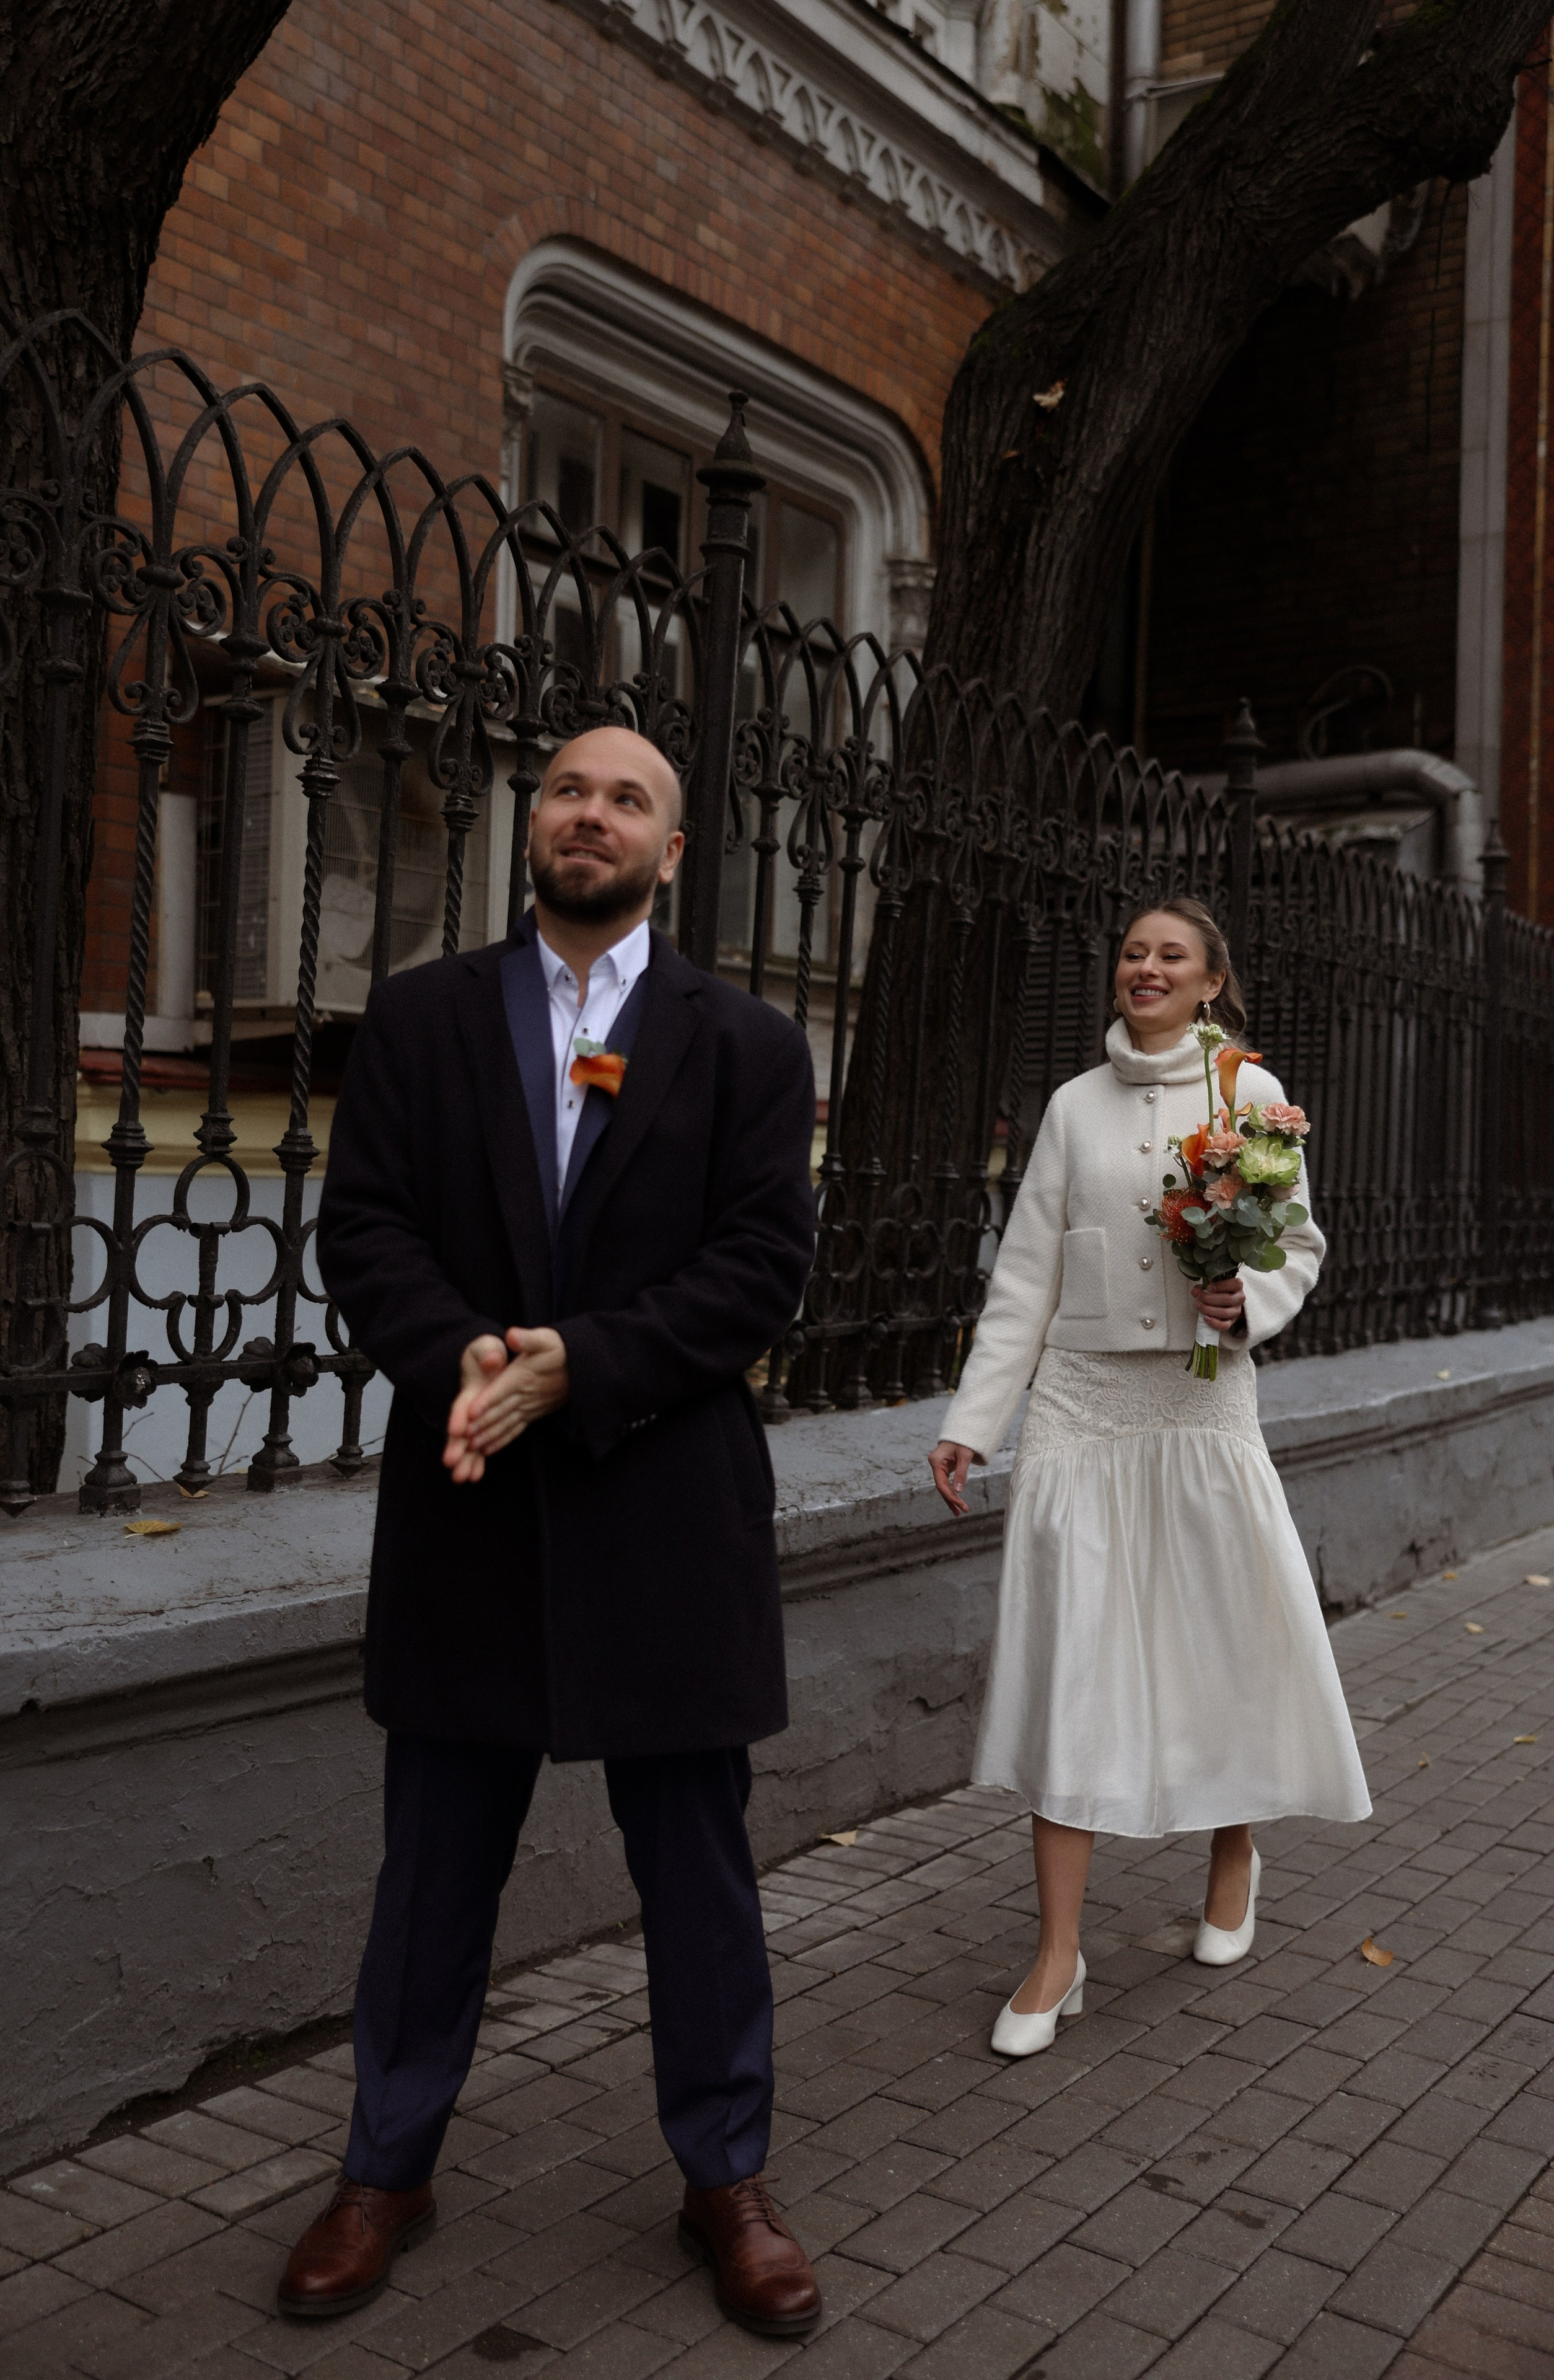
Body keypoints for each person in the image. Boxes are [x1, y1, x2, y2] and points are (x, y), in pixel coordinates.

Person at [279, 725, 823, 2336]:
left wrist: (576, 1367)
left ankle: (725, 2176)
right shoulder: (423, 1018)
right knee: (434, 1875)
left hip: (665, 1508)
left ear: (672, 847)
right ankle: (389, 2165)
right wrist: (473, 1359)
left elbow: (757, 1269)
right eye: (573, 790)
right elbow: (365, 1223)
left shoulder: (748, 1045)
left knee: (701, 1881)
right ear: (540, 822)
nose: (594, 816)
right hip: (469, 1503)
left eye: (631, 799)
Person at [928, 897, 1370, 2057]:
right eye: (1132, 951)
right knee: (1075, 1647)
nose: (1147, 967)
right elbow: (1025, 1272)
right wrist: (975, 1420)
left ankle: (1235, 1853)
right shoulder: (1073, 1106)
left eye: (1171, 954)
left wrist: (1248, 1298)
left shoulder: (1251, 1098)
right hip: (1081, 1404)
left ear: (1211, 979)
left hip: (1199, 1395)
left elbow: (1301, 1242)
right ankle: (1057, 1953)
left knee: (1216, 1635)